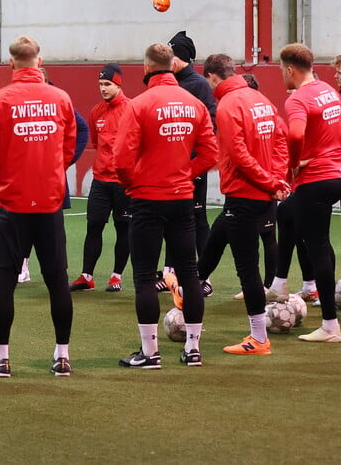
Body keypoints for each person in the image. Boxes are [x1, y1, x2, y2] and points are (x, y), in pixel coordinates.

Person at [0, 35, 77, 377]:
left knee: (5, 282)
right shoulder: (60, 98)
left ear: (11, 63)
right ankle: (62, 357)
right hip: (48, 204)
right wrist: (51, 177)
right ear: (39, 60)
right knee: (57, 281)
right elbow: (68, 147)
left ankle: (2, 359)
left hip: (12, 204)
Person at [113, 43, 217, 369]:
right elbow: (211, 154)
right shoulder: (195, 104)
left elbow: (120, 160)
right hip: (182, 198)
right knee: (189, 272)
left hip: (146, 199)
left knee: (144, 276)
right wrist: (185, 174)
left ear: (146, 69)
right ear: (173, 66)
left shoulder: (139, 104)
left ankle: (149, 353)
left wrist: (134, 185)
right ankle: (193, 349)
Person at [202, 54, 290, 355]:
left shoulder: (227, 105)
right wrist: (276, 180)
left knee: (247, 270)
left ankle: (259, 338)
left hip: (245, 194)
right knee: (219, 233)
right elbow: (281, 140)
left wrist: (270, 181)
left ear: (213, 77)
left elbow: (239, 155)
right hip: (262, 194)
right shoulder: (261, 99)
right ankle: (192, 285)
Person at [278, 43, 341, 342]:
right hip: (336, 176)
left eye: (281, 71)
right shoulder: (328, 90)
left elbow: (295, 134)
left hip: (315, 179)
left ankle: (330, 325)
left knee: (316, 246)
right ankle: (282, 282)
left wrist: (294, 164)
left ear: (290, 69)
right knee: (295, 220)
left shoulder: (297, 99)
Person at [18, 67, 88, 284]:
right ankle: (23, 266)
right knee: (22, 223)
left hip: (51, 179)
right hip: (26, 178)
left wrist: (65, 160)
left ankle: (58, 270)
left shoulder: (59, 101)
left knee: (54, 229)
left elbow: (82, 129)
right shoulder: (18, 101)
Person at [70, 63, 131, 293]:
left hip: (124, 182)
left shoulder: (131, 109)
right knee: (93, 226)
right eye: (100, 85)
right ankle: (87, 276)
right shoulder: (97, 111)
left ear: (118, 85)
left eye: (107, 84)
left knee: (123, 228)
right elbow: (97, 143)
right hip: (101, 180)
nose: (103, 89)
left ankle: (116, 276)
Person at [165, 31, 217, 283]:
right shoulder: (170, 83)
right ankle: (170, 273)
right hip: (171, 167)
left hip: (192, 166)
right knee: (171, 218)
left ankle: (203, 277)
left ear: (178, 58)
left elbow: (212, 123)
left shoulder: (198, 85)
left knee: (197, 220)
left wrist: (193, 159)